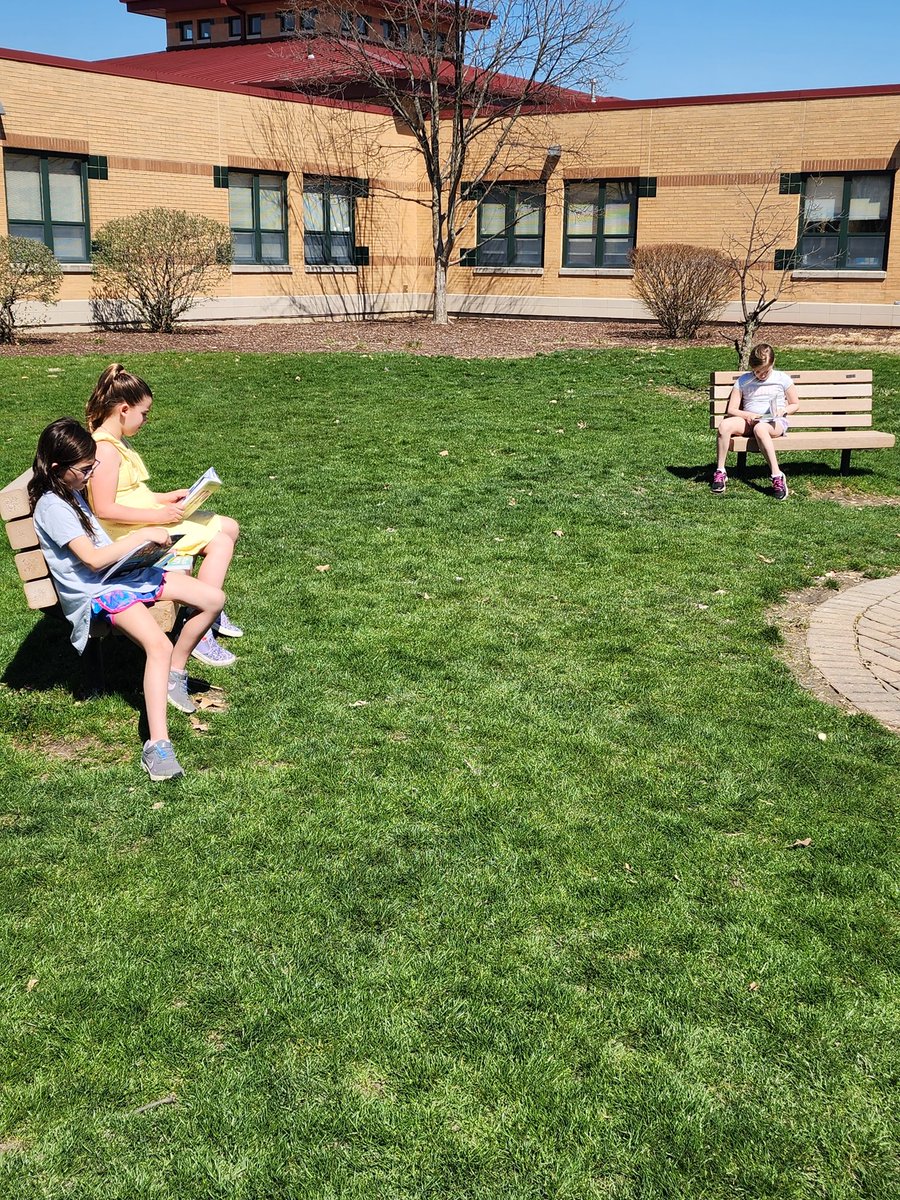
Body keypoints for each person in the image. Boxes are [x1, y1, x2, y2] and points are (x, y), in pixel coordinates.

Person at [29, 419, 226, 781]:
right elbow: (91, 559)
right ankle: (158, 746)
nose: (90, 476)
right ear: (58, 468)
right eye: (86, 470)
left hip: (120, 575)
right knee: (158, 646)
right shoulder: (52, 506)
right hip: (100, 590)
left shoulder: (67, 489)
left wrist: (143, 552)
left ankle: (173, 675)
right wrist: (142, 538)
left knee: (213, 598)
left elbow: (104, 553)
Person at [84, 363, 241, 667]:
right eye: (144, 414)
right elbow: (104, 508)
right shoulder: (105, 450)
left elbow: (126, 493)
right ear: (124, 409)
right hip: (131, 535)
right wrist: (160, 517)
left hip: (146, 519)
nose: (145, 420)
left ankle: (209, 610)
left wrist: (165, 498)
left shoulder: (116, 442)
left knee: (229, 527)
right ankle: (200, 627)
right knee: (221, 542)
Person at [711, 343, 800, 500]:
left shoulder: (782, 379)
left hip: (774, 422)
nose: (761, 375)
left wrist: (783, 410)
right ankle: (720, 471)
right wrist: (747, 415)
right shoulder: (744, 380)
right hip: (750, 419)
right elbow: (731, 409)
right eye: (757, 371)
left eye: (765, 371)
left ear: (773, 363)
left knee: (760, 429)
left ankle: (777, 475)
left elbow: (795, 404)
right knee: (724, 426)